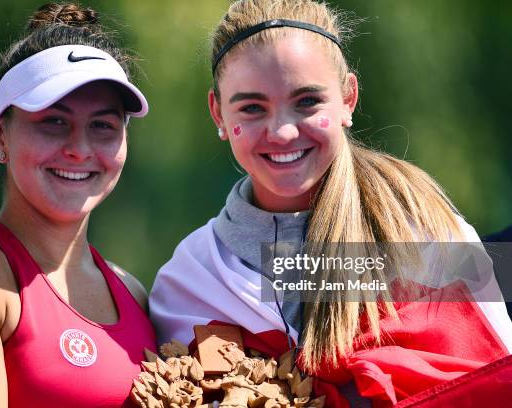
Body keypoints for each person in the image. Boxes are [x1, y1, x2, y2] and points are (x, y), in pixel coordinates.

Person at [149, 0, 512, 406]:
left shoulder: (428, 231)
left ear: (348, 98)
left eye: (306, 102)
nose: (283, 132)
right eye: (252, 108)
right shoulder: (188, 280)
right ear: (218, 112)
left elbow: (495, 381)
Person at [0, 3, 155, 407]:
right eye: (54, 121)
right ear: (1, 137)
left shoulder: (133, 291)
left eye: (103, 126)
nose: (79, 149)